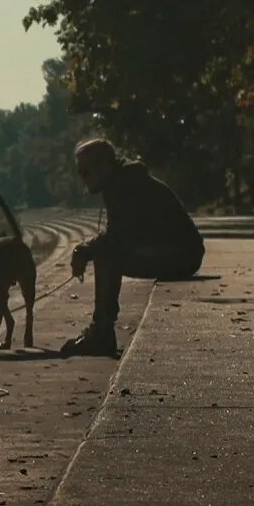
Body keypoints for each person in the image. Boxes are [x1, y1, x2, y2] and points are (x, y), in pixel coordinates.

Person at [61, 139, 204, 356]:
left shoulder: (125, 185)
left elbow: (117, 236)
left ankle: (102, 333)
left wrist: (84, 250)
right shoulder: (120, 181)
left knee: (107, 254)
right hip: (175, 250)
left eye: (85, 172)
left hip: (181, 254)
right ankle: (101, 330)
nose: (82, 178)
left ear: (103, 166)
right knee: (105, 250)